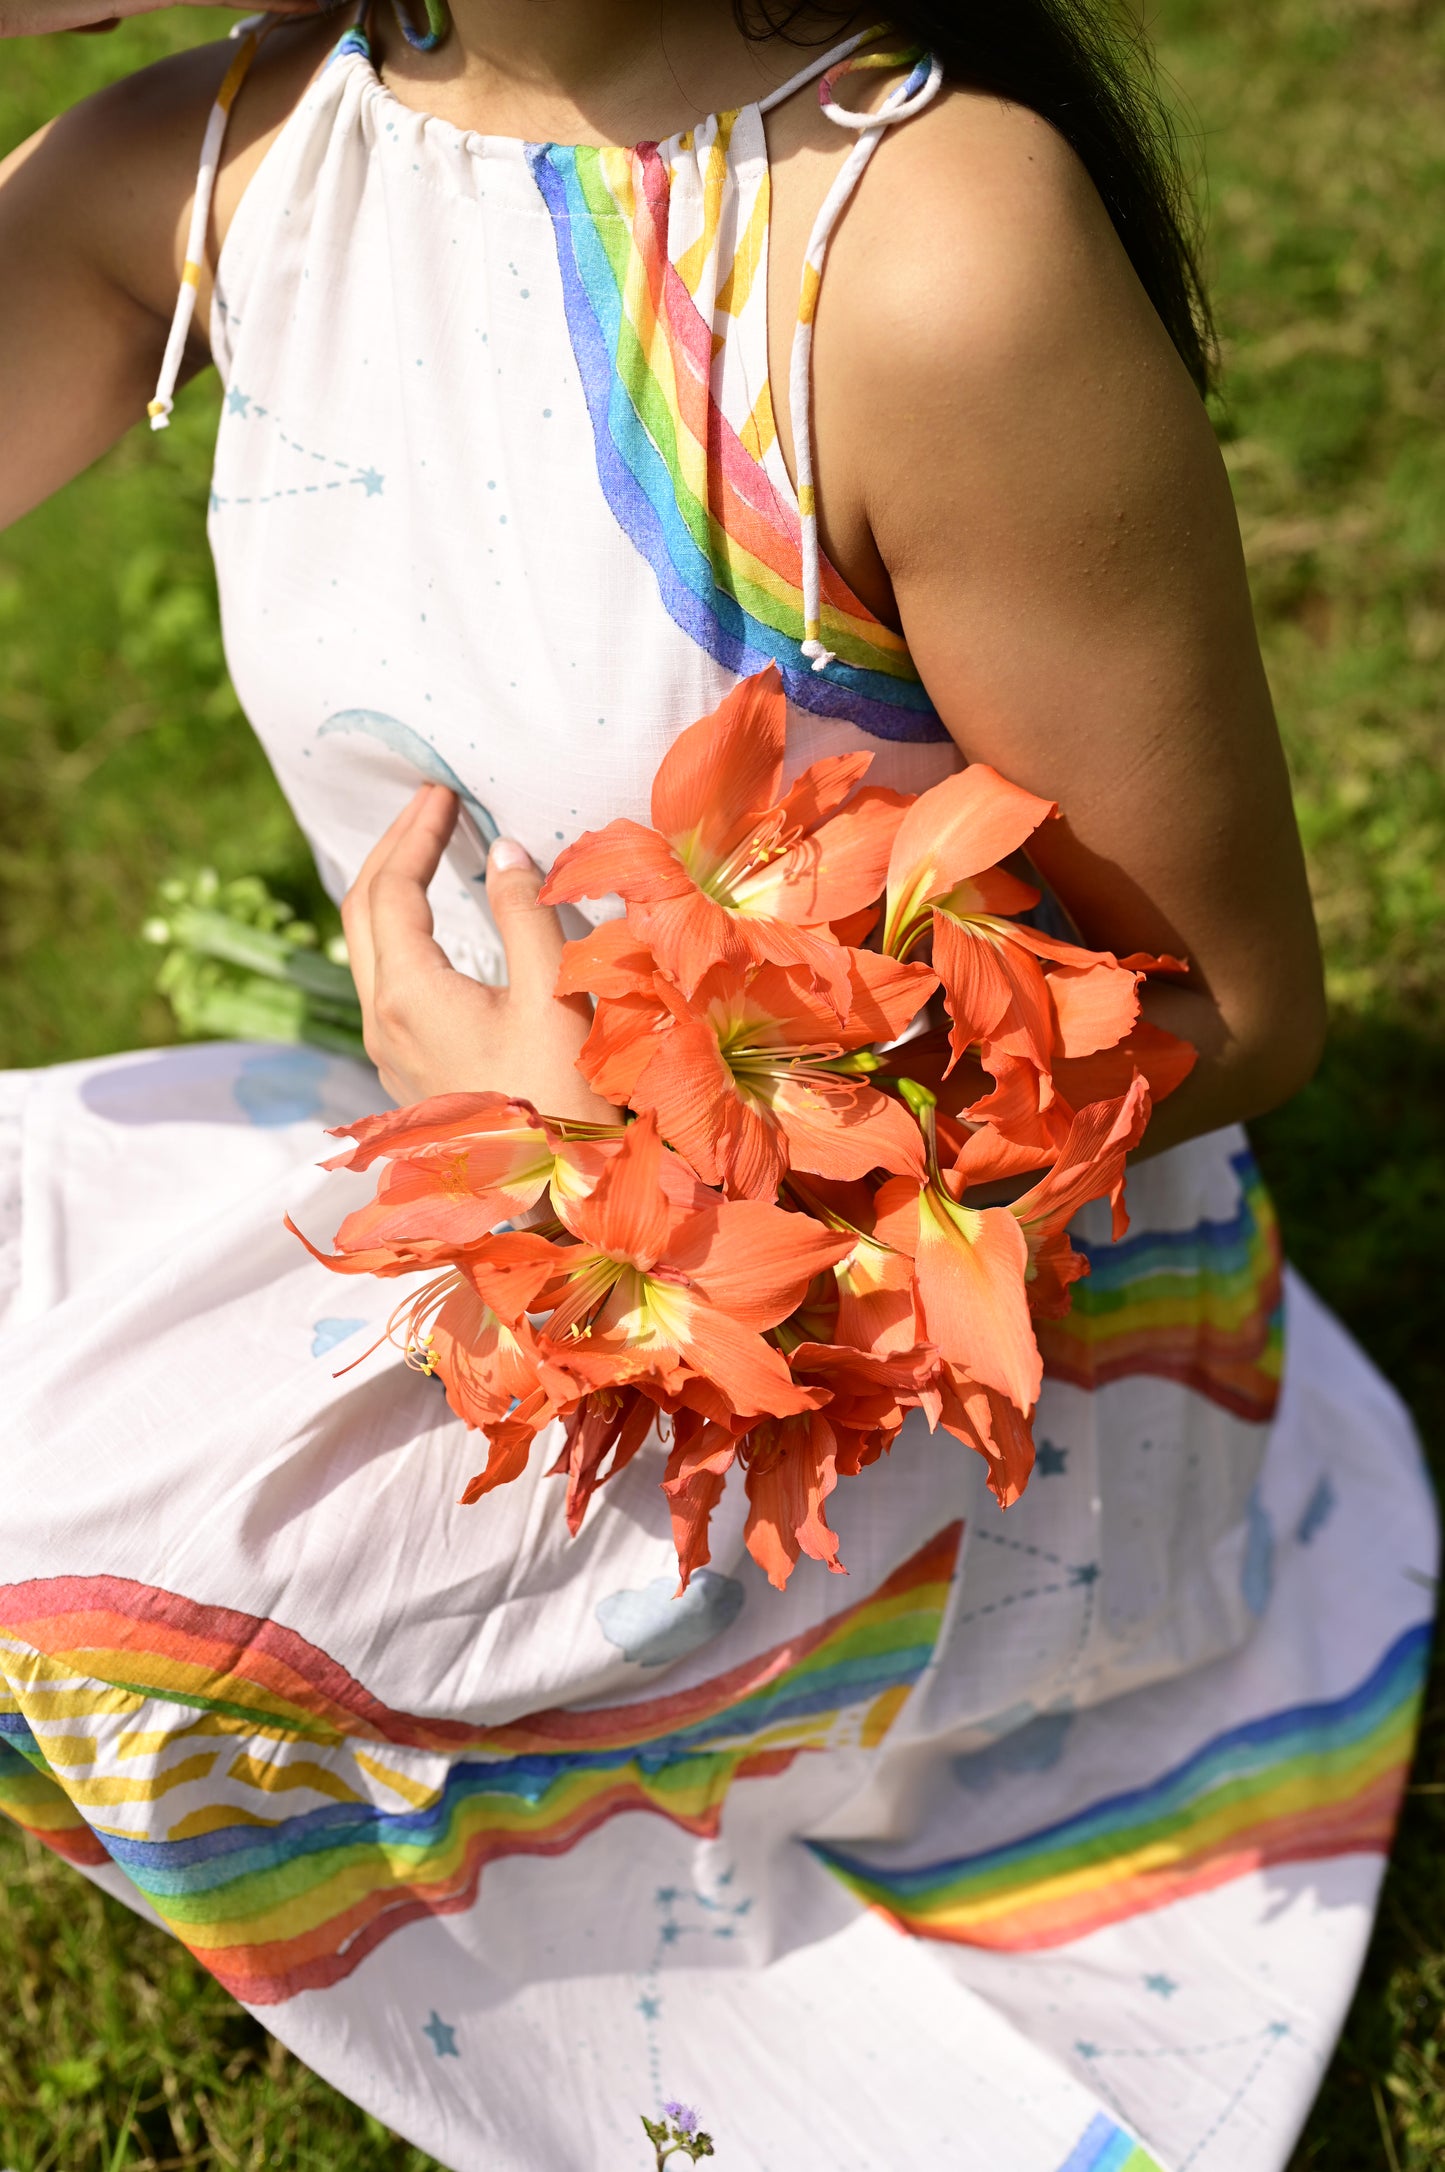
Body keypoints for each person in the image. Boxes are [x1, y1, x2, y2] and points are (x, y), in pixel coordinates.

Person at [0, 2, 1433, 2166]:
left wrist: (618, 1165)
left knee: (82, 1586)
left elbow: (1228, 1008)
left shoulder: (919, 253)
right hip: (466, 1194)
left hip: (887, 1370)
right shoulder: (250, 150)